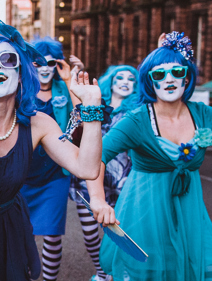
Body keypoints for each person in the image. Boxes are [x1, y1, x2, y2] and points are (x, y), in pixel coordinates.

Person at [0, 16, 104, 281]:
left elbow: (87, 168)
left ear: (21, 73)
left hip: (11, 227)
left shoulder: (39, 123)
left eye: (8, 60)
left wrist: (92, 108)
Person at [87, 32, 212, 280]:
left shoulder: (203, 114)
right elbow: (96, 157)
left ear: (187, 78)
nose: (168, 80)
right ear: (150, 81)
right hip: (144, 214)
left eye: (177, 72)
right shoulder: (137, 120)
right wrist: (98, 200)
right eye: (159, 74)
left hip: (190, 214)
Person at [69, 65, 139, 281]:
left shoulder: (137, 111)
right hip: (89, 179)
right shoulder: (96, 104)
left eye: (131, 79)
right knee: (91, 236)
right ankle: (102, 273)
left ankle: (119, 273)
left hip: (122, 180)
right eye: (121, 77)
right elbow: (75, 133)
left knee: (119, 233)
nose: (126, 81)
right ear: (111, 80)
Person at [19, 36, 78, 281]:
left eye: (50, 63)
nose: (44, 68)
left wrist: (70, 81)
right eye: (38, 62)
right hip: (22, 172)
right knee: (23, 233)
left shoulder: (65, 88)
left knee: (53, 235)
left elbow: (81, 119)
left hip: (55, 174)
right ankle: (24, 275)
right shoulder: (21, 88)